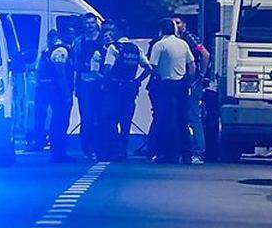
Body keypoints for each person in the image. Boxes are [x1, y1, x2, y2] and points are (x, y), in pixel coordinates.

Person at [148, 18, 195, 164]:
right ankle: (186, 153)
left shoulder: (159, 45)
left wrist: (160, 77)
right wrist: (189, 80)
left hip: (166, 84)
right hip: (181, 84)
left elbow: (153, 66)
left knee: (166, 119)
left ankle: (168, 153)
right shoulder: (183, 44)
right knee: (182, 119)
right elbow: (192, 65)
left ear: (161, 30)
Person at [101, 23, 150, 160]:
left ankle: (113, 150)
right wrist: (137, 80)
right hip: (129, 89)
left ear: (118, 31)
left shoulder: (114, 47)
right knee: (126, 121)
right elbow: (148, 68)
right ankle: (123, 150)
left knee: (111, 119)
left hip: (115, 88)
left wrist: (105, 82)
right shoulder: (135, 49)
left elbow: (108, 68)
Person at [174, 16, 210, 164]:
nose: (176, 26)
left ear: (184, 25)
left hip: (193, 83)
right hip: (186, 82)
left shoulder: (189, 38)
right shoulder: (179, 41)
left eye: (178, 23)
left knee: (194, 117)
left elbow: (205, 54)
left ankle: (199, 152)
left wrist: (200, 75)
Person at [72, 14, 106, 159]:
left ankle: (100, 147)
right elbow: (75, 63)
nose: (90, 26)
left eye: (92, 23)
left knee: (100, 116)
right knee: (86, 117)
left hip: (100, 82)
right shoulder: (79, 41)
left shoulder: (103, 40)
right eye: (87, 23)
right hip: (84, 83)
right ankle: (87, 147)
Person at [26, 29, 63, 151]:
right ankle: (39, 141)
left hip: (53, 87)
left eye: (53, 37)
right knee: (40, 115)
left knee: (55, 115)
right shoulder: (44, 51)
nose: (51, 40)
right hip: (42, 87)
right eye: (49, 37)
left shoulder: (59, 51)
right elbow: (39, 68)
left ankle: (53, 141)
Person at [46, 37, 74, 162]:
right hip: (59, 92)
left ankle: (58, 151)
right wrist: (67, 93)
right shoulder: (61, 50)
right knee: (60, 121)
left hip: (55, 91)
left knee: (59, 121)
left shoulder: (53, 50)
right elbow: (61, 74)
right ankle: (58, 152)